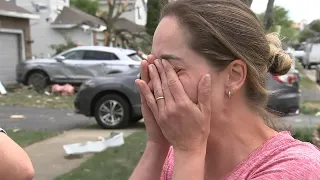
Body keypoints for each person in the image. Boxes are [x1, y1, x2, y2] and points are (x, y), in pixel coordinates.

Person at [130, 0, 320, 179]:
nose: (153, 83)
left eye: (172, 69)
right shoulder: (173, 157)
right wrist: (157, 144)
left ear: (234, 75)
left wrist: (189, 152)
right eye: (152, 68)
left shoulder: (297, 169)